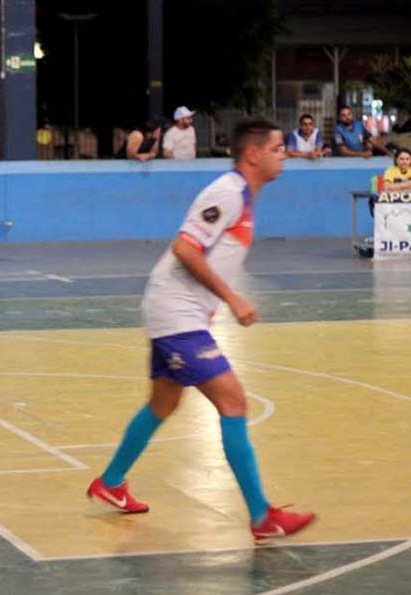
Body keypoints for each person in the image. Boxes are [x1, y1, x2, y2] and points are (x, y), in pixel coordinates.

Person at [86, 118, 316, 541]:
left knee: (162, 404)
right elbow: (185, 249)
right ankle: (262, 518)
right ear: (253, 154)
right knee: (234, 401)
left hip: (179, 313)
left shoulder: (243, 198)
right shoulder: (226, 193)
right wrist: (232, 299)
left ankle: (111, 482)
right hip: (176, 314)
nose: (284, 154)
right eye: (278, 147)